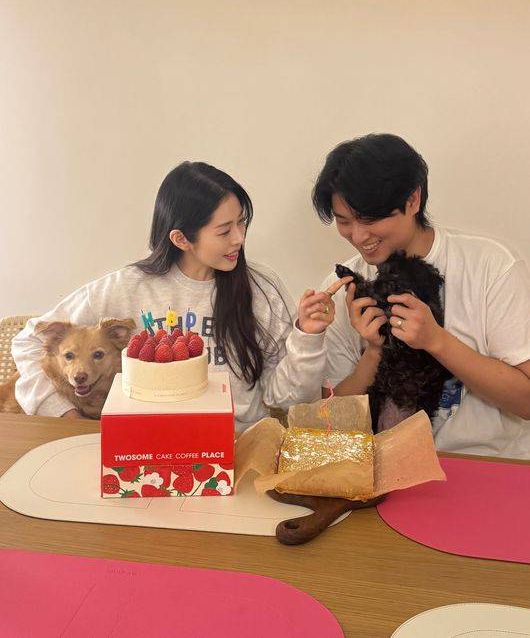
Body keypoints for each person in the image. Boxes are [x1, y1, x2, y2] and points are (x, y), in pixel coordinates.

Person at [13, 162, 350, 432]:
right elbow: (27, 343)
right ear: (181, 239)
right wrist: (66, 415)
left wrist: (308, 336)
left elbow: (288, 399)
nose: (239, 239)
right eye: (224, 231)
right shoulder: (126, 288)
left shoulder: (261, 288)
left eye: (242, 223)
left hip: (238, 450)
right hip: (145, 452)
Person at [312, 133, 530, 458]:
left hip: (484, 464)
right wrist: (374, 351)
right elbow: (330, 419)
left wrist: (436, 340)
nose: (357, 236)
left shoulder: (491, 267)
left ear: (413, 200)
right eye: (344, 221)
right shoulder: (345, 283)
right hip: (385, 466)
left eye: (371, 219)